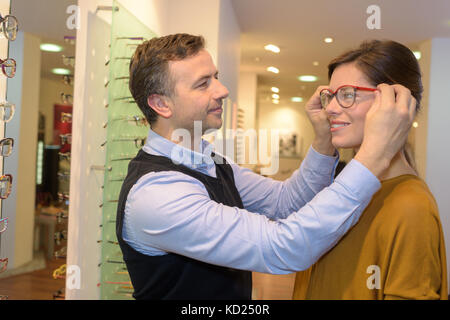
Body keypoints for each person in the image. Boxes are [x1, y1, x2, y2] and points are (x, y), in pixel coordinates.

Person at [115, 33, 416, 300]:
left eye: (215, 77)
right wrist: (373, 157)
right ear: (161, 104)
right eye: (203, 84)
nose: (222, 90)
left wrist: (324, 140)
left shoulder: (210, 162)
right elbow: (282, 246)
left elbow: (283, 202)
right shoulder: (156, 194)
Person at [293, 40, 448, 300]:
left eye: (347, 94)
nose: (330, 108)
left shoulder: (411, 206)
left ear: (394, 102)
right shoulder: (343, 190)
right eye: (330, 95)